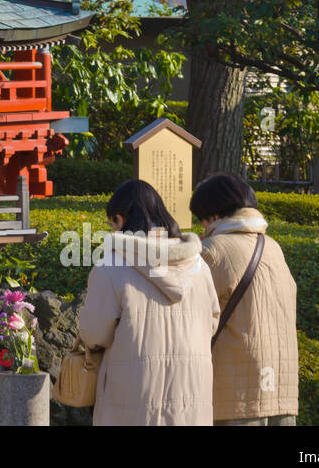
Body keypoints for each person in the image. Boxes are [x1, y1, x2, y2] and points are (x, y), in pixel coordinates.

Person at [77, 179, 221, 425]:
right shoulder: (198, 266)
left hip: (131, 397)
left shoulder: (110, 267)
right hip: (191, 394)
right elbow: (212, 323)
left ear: (121, 219)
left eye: (111, 223)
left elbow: (94, 334)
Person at [191, 174, 299, 426]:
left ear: (214, 215)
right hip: (282, 391)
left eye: (202, 219)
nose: (202, 227)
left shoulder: (213, 251)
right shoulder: (273, 247)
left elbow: (191, 319)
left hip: (234, 397)